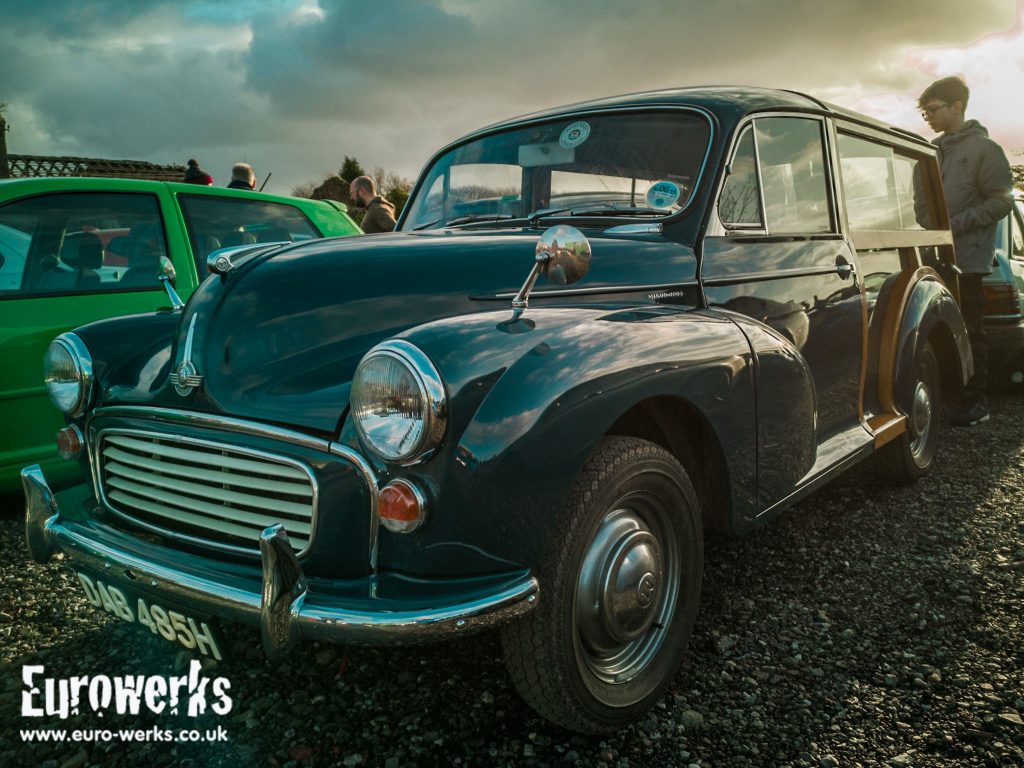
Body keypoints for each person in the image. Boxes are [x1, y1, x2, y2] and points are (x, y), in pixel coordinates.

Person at [918, 76, 1013, 427]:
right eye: (925, 110)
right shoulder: (929, 150)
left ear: (957, 107)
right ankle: (949, 397)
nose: (927, 116)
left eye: (933, 109)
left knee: (971, 328)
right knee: (936, 327)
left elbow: (1001, 201)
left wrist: (955, 224)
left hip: (969, 260)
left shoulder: (986, 151)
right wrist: (933, 225)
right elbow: (920, 204)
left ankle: (976, 402)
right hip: (934, 256)